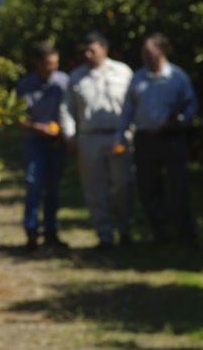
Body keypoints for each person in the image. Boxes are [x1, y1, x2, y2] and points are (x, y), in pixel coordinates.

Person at [115, 33, 199, 246]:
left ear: (161, 51)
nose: (145, 55)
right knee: (148, 188)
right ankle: (160, 235)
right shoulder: (139, 77)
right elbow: (128, 110)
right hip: (145, 139)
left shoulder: (177, 77)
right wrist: (120, 136)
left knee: (177, 187)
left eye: (149, 51)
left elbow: (191, 106)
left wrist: (178, 121)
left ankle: (185, 235)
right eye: (144, 52)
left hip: (171, 137)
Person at [62, 32, 134, 250]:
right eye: (85, 50)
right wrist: (71, 136)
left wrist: (131, 133)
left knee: (122, 186)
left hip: (118, 136)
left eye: (92, 50)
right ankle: (104, 235)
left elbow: (133, 105)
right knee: (95, 189)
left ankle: (124, 229)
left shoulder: (123, 72)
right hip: (89, 137)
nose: (88, 54)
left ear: (105, 49)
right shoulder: (76, 77)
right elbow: (66, 110)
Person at [17, 42, 71, 251]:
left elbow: (70, 110)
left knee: (53, 187)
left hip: (57, 141)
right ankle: (31, 231)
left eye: (56, 64)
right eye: (49, 64)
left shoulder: (64, 82)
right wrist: (37, 128)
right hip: (35, 140)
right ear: (38, 64)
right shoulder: (26, 85)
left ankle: (51, 231)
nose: (53, 68)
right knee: (34, 184)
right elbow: (19, 117)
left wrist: (62, 133)